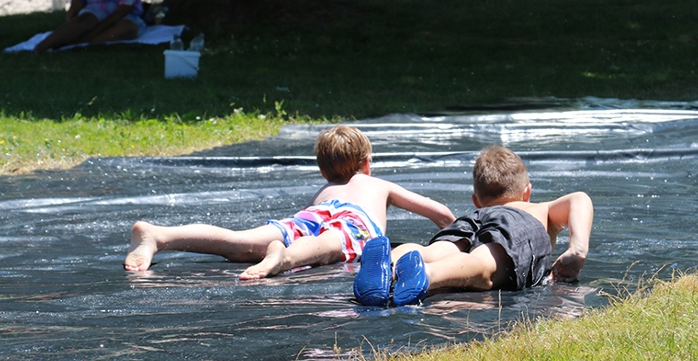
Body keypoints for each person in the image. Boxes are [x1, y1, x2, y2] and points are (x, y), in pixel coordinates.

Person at [124, 125, 456, 279]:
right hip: (354, 222)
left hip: (309, 216)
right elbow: (439, 213)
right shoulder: (373, 182)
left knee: (241, 242)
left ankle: (161, 235)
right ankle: (283, 260)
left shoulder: (324, 191)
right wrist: (457, 237)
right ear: (366, 163)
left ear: (322, 169)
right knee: (327, 245)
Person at [353, 145, 594, 307]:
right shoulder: (539, 209)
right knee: (482, 264)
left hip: (470, 221)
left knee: (435, 251)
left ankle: (391, 261)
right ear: (527, 192)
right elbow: (579, 198)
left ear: (476, 199)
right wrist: (578, 249)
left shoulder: (478, 210)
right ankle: (427, 275)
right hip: (517, 223)